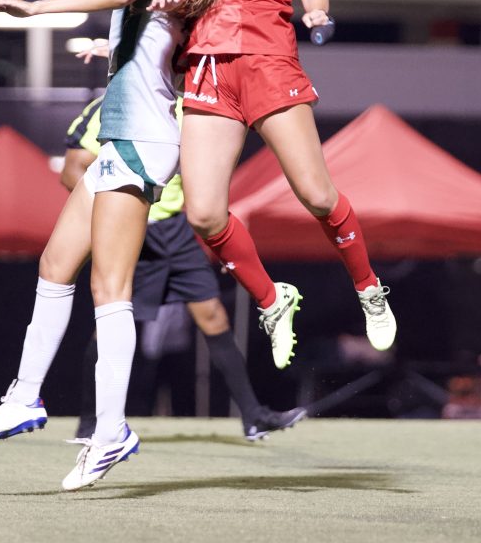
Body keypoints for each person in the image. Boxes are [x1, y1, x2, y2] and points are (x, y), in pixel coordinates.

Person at [0, 0, 204, 490]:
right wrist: (110, 48)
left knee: (110, 289)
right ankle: (24, 398)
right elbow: (153, 47)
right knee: (55, 265)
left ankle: (112, 431)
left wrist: (35, 9)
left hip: (141, 142)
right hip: (126, 138)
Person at [150, 0, 396, 370]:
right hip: (210, 68)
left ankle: (368, 285)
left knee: (316, 196)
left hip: (267, 64)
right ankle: (270, 299)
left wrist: (316, 11)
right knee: (204, 212)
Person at [63, 92, 306, 442]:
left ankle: (253, 418)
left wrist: (223, 248)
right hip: (131, 228)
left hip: (176, 231)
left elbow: (203, 190)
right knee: (110, 326)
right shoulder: (115, 104)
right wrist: (117, 208)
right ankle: (89, 425)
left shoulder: (192, 110)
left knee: (214, 317)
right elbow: (72, 171)